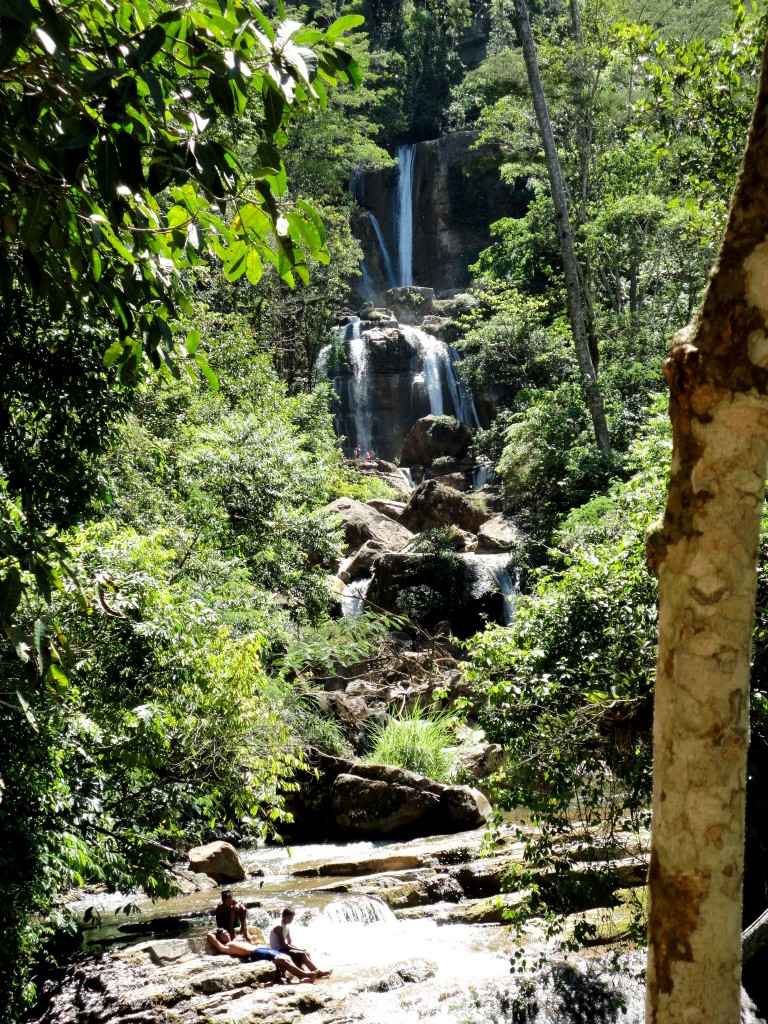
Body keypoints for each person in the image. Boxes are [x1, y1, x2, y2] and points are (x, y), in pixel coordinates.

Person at [206, 929, 317, 983]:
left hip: (261, 949)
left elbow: (246, 936)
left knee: (286, 957)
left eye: (226, 932)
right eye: (223, 935)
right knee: (281, 959)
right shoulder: (226, 946)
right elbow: (212, 938)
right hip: (255, 953)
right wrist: (212, 933)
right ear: (220, 939)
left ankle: (301, 977)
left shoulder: (236, 940)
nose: (226, 934)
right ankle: (305, 974)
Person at [269, 907, 332, 978]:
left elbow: (290, 942)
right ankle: (319, 973)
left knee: (306, 953)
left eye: (292, 918)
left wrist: (300, 949)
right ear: (283, 916)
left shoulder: (287, 927)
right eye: (289, 918)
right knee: (302, 954)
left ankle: (315, 972)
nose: (291, 920)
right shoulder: (279, 927)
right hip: (278, 950)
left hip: (284, 949)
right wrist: (299, 951)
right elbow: (283, 944)